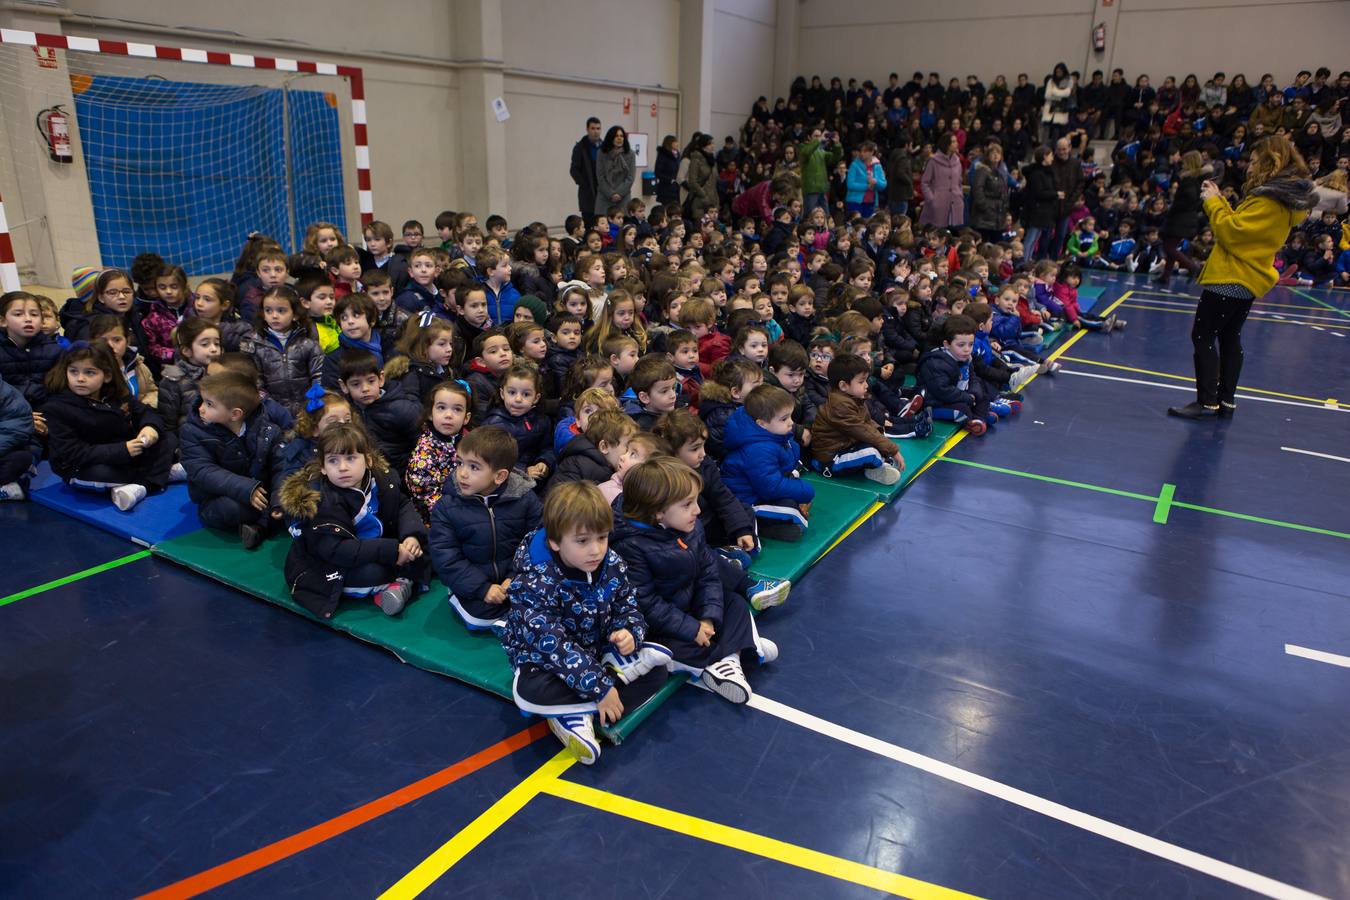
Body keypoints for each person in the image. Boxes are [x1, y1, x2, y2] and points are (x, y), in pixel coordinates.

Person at [500, 480, 669, 765]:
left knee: (660, 672)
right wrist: (600, 688)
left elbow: (628, 603)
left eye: (602, 538)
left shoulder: (611, 561)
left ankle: (575, 711)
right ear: (555, 541)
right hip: (543, 660)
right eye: (582, 541)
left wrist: (629, 631)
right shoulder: (536, 580)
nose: (596, 550)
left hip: (596, 649)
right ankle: (586, 707)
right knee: (530, 694)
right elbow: (551, 644)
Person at [1168, 136, 1316, 420]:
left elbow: (1232, 233)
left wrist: (1213, 204)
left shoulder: (1269, 200)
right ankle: (1225, 402)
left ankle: (1207, 402)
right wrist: (1222, 200)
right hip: (1248, 277)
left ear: (1268, 162)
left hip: (1232, 275)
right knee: (1229, 337)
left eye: (1254, 160)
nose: (1248, 166)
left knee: (1203, 335)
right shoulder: (1282, 201)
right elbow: (1246, 231)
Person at [613, 457, 777, 705]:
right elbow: (646, 603)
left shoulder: (690, 526)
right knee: (663, 648)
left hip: (690, 606)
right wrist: (691, 628)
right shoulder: (630, 544)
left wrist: (707, 617)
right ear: (658, 512)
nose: (698, 510)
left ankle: (728, 657)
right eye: (688, 504)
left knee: (732, 602)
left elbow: (708, 573)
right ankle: (732, 655)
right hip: (659, 624)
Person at [280, 423, 430, 618]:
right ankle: (402, 582)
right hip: (329, 564)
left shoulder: (381, 479)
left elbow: (402, 505)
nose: (343, 468)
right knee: (374, 573)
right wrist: (392, 551)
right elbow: (337, 550)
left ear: (368, 460)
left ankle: (400, 583)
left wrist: (411, 537)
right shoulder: (320, 500)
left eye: (351, 458)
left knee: (426, 545)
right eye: (333, 461)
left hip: (373, 547)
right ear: (323, 468)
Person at [428, 424, 543, 631]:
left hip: (514, 578)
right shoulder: (447, 506)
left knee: (547, 600)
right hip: (474, 583)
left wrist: (514, 577)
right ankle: (458, 597)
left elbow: (535, 542)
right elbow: (445, 556)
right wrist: (483, 589)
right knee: (479, 618)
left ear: (499, 476)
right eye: (460, 463)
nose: (462, 473)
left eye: (474, 467)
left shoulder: (526, 499)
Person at [43, 343, 178, 510]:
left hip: (125, 456)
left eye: (89, 372)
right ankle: (160, 476)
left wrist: (150, 428)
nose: (80, 378)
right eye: (73, 371)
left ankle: (145, 482)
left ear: (106, 375)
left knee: (167, 438)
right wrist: (122, 450)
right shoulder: (57, 408)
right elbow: (73, 453)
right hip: (82, 466)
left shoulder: (115, 395)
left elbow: (145, 412)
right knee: (100, 474)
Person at [180, 370, 287, 548]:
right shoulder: (192, 431)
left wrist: (278, 498)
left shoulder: (268, 430)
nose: (201, 408)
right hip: (219, 497)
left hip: (261, 494)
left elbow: (280, 466)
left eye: (209, 404)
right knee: (231, 509)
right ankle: (267, 522)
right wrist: (246, 489)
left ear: (235, 414)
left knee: (290, 497)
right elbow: (203, 471)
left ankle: (262, 525)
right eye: (203, 400)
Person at [1156, 151, 1207, 286]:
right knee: (1171, 246)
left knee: (1169, 247)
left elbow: (1189, 198)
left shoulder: (1189, 180)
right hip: (1185, 217)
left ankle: (1193, 267)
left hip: (1180, 218)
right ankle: (1165, 276)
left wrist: (1175, 207)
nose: (1182, 164)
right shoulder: (1196, 179)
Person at [919, 133, 964, 228]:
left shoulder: (957, 161)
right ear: (946, 144)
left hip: (955, 204)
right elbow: (925, 182)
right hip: (937, 205)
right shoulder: (933, 161)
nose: (956, 143)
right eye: (953, 141)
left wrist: (960, 194)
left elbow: (959, 181)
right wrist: (931, 199)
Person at [969, 141, 1009, 243]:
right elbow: (977, 189)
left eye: (998, 153)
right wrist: (984, 206)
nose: (996, 155)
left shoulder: (1002, 171)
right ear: (988, 155)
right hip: (985, 214)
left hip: (998, 213)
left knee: (997, 244)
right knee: (984, 243)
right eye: (993, 153)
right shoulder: (982, 170)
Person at [596, 126, 636, 217]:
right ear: (610, 138)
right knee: (604, 227)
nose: (619, 138)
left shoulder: (630, 154)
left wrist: (619, 193)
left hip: (623, 197)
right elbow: (600, 176)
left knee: (623, 227)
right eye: (616, 136)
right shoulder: (601, 153)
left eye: (621, 136)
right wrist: (611, 194)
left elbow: (630, 177)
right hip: (605, 196)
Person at [569, 117, 603, 225]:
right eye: (593, 128)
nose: (595, 131)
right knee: (590, 225)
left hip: (603, 194)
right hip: (587, 195)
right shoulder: (580, 147)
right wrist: (584, 184)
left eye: (598, 128)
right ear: (587, 129)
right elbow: (574, 170)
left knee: (603, 226)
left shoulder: (606, 148)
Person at [845, 141, 887, 218]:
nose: (862, 153)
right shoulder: (854, 165)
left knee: (867, 225)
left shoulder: (877, 166)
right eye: (860, 151)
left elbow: (883, 185)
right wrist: (867, 186)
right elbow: (850, 184)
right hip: (854, 201)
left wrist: (875, 182)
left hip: (870, 202)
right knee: (855, 225)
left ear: (871, 152)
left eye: (865, 151)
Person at [653, 135, 681, 206]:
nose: (677, 144)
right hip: (666, 189)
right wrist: (670, 180)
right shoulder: (663, 155)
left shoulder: (677, 155)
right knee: (668, 210)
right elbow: (657, 172)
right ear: (669, 143)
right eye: (675, 142)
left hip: (677, 189)